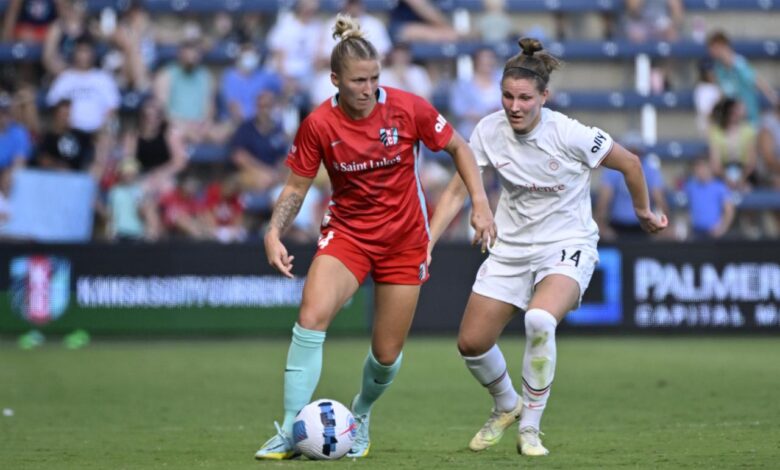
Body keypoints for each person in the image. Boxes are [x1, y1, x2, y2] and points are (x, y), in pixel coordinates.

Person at [254, 14, 496, 460]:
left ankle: (360, 415)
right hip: (348, 235)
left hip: (405, 242)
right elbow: (295, 187)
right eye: (358, 81)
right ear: (334, 81)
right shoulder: (319, 124)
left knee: (385, 354)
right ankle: (290, 431)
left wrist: (479, 204)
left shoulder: (408, 108)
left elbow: (461, 147)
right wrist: (273, 231)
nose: (368, 89)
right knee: (311, 316)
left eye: (374, 78)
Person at [426, 38, 668, 458]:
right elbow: (453, 193)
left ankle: (531, 430)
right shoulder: (487, 131)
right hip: (510, 245)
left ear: (544, 97)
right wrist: (426, 245)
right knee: (471, 343)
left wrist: (644, 211)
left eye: (524, 98)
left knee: (539, 319)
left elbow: (630, 162)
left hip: (566, 243)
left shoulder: (570, 133)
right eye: (507, 96)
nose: (514, 106)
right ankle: (506, 406)